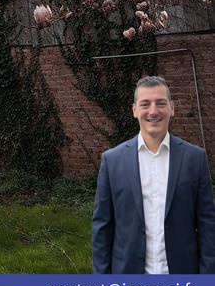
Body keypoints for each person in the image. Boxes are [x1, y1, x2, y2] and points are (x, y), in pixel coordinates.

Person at [92, 75, 215, 274]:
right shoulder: (112, 161)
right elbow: (102, 228)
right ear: (134, 110)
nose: (153, 111)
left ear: (172, 108)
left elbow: (208, 225)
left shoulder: (195, 159)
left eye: (160, 103)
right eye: (145, 104)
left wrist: (207, 281)